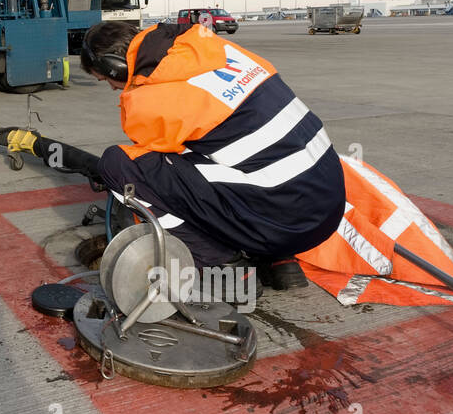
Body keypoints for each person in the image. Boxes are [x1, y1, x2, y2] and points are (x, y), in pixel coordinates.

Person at [80, 19, 345, 290]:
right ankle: (280, 260)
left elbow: (153, 163)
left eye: (106, 80)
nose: (113, 88)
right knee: (246, 156)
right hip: (329, 210)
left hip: (282, 222)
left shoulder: (148, 98)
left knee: (120, 164)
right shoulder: (220, 50)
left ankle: (225, 267)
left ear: (115, 66)